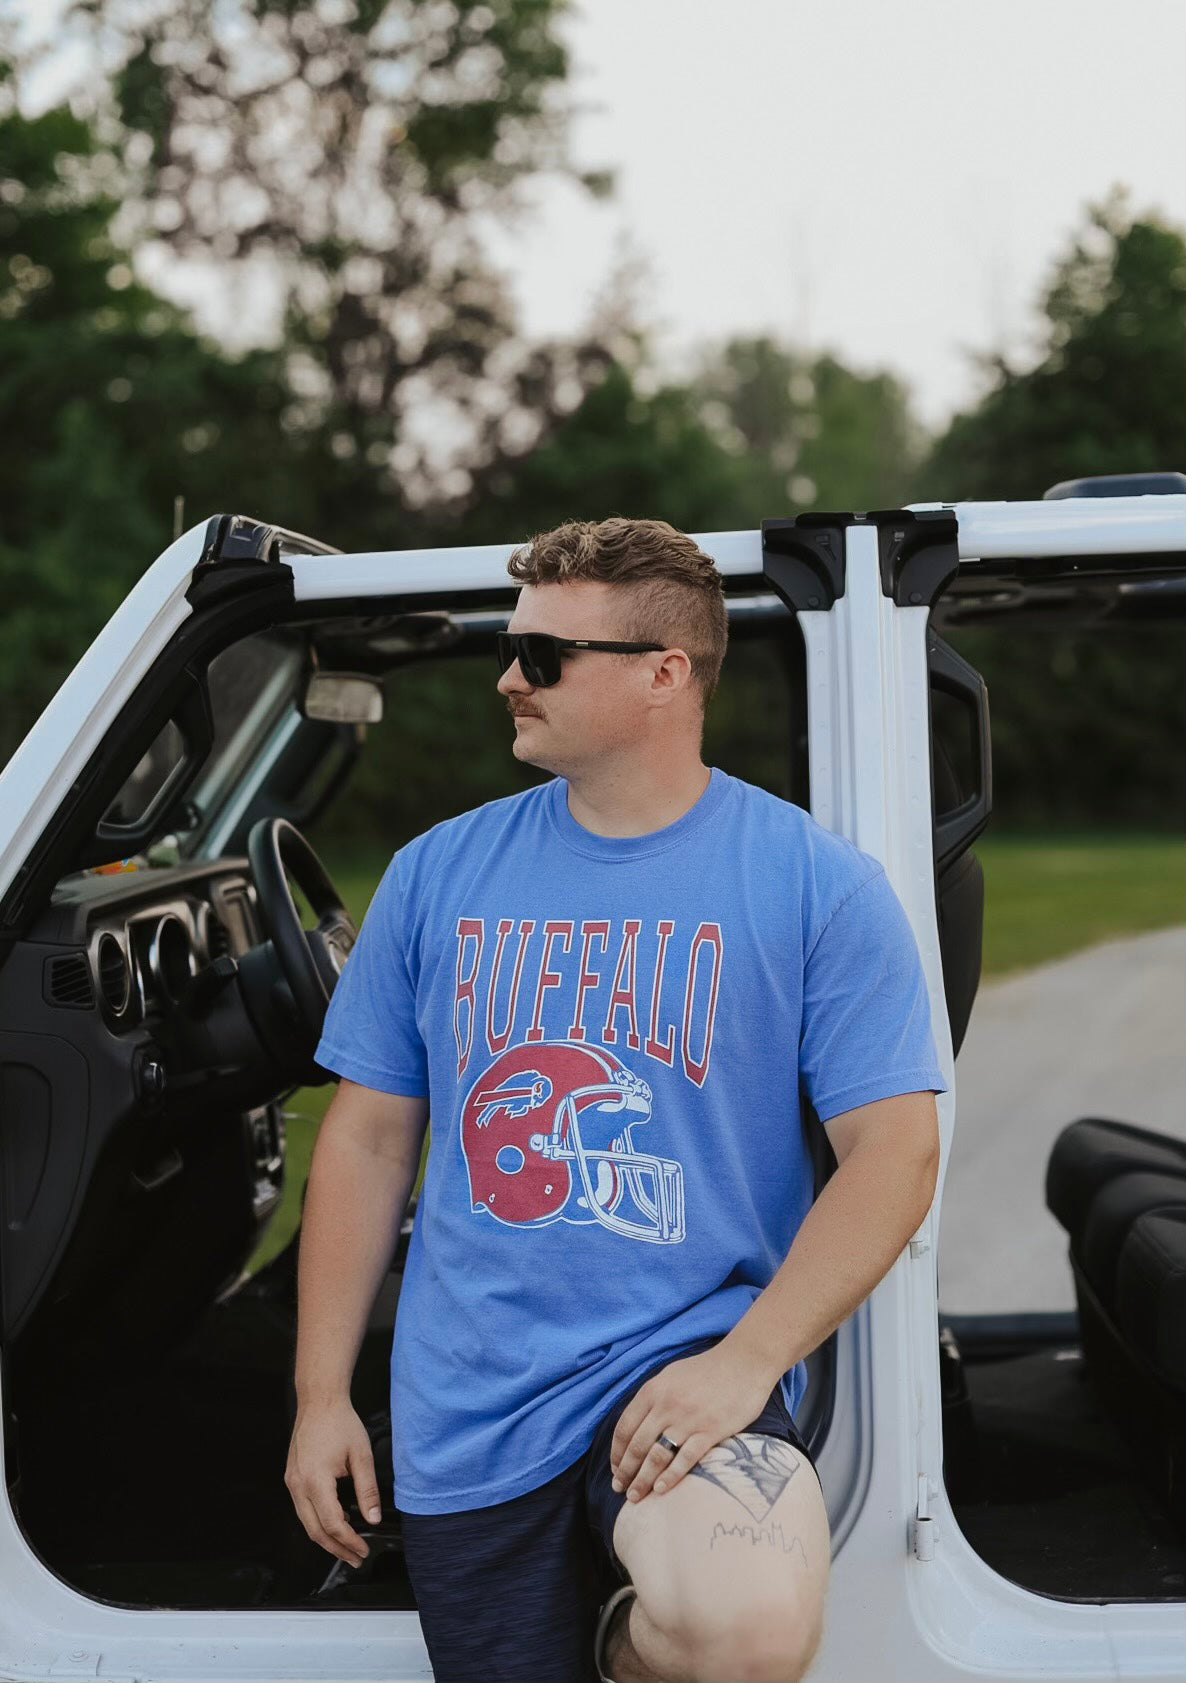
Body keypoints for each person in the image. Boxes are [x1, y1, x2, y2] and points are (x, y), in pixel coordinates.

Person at [285, 517, 947, 1683]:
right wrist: (321, 1394)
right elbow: (370, 1138)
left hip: (687, 1364)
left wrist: (748, 1360)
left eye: (543, 657)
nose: (507, 677)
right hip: (471, 1398)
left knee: (742, 1630)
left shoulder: (812, 885)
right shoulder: (438, 872)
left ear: (663, 674)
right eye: (511, 646)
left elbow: (893, 1155)